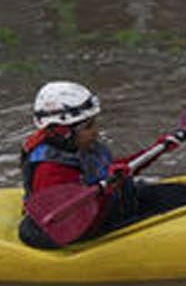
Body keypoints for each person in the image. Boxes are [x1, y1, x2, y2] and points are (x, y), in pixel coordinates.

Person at [18, 80, 139, 249]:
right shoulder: (50, 170)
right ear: (64, 131)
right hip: (78, 228)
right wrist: (110, 188)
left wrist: (154, 150)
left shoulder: (81, 145)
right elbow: (70, 224)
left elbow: (107, 168)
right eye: (89, 126)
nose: (96, 131)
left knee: (179, 194)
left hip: (106, 203)